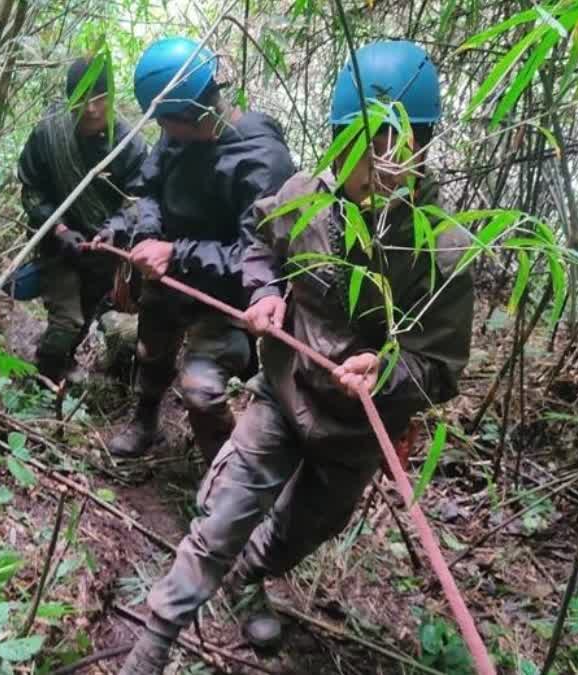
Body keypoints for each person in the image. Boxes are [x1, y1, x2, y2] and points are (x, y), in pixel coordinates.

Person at [119, 41, 475, 674]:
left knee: (300, 530)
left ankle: (250, 579)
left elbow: (441, 366)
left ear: (424, 144)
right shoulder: (303, 195)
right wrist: (267, 294)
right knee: (221, 521)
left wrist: (386, 371)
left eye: (399, 145)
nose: (380, 164)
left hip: (358, 431)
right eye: (363, 142)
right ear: (339, 139)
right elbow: (259, 238)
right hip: (282, 397)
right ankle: (150, 649)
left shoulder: (445, 250)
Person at [95, 36, 296, 462]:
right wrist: (148, 236)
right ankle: (145, 422)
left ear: (191, 114)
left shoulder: (262, 161)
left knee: (201, 392)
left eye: (165, 123)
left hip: (223, 300)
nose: (162, 133)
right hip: (166, 284)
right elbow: (146, 189)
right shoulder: (176, 137)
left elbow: (257, 257)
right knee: (152, 352)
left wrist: (176, 253)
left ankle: (225, 474)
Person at [17, 57, 149, 384]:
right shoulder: (49, 134)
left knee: (87, 315)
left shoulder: (128, 143)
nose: (91, 108)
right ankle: (42, 382)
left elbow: (138, 200)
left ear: (113, 96)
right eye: (82, 97)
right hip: (56, 245)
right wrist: (58, 227)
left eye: (100, 96)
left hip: (103, 251)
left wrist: (113, 229)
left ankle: (60, 363)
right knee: (68, 321)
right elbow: (31, 190)